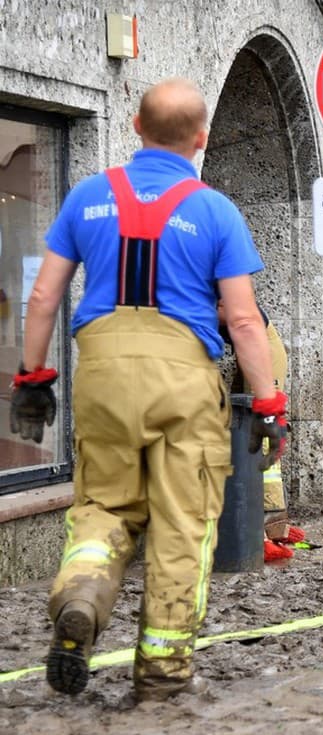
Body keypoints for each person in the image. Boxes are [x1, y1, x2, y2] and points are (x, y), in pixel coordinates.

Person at [12, 77, 284, 701]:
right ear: (201, 139)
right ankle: (161, 671)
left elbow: (45, 295)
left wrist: (33, 377)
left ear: (135, 127)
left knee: (102, 507)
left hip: (103, 374)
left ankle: (82, 592)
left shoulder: (87, 196)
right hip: (184, 380)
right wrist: (270, 404)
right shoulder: (215, 210)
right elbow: (243, 319)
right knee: (182, 527)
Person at [219, 305, 304, 562]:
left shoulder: (218, 284)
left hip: (260, 351)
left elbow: (236, 314)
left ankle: (268, 526)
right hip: (247, 349)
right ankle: (267, 524)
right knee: (242, 428)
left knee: (259, 433)